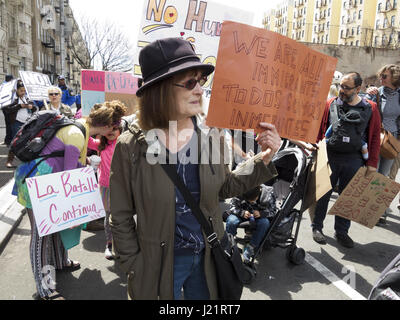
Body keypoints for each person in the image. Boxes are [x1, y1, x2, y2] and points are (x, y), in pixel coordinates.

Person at [109, 37, 281, 300]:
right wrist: (133, 265)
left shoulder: (209, 136)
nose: (200, 90)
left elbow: (225, 188)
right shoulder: (131, 145)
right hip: (158, 265)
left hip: (208, 257)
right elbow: (120, 216)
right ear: (161, 89)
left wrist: (264, 159)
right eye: (190, 83)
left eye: (201, 81)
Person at [11, 100, 127, 300]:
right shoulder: (76, 135)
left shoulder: (81, 126)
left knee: (54, 230)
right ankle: (45, 288)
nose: (115, 131)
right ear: (108, 126)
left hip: (45, 182)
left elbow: (69, 156)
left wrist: (87, 160)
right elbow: (69, 177)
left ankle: (60, 262)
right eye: (115, 127)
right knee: (41, 237)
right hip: (38, 184)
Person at [311, 72, 381, 248]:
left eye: (346, 87)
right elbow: (320, 128)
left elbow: (374, 137)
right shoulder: (330, 104)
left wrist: (372, 163)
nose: (341, 90)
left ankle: (342, 232)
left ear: (358, 89)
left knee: (348, 198)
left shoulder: (371, 108)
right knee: (323, 195)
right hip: (330, 156)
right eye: (341, 86)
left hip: (354, 159)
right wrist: (316, 152)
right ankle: (317, 227)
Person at [365, 64, 400, 225]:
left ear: (394, 78)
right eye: (381, 76)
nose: (381, 79)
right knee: (373, 175)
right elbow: (364, 109)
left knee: (384, 177)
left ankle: (378, 211)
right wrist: (367, 94)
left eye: (384, 76)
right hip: (376, 139)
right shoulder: (376, 93)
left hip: (393, 142)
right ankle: (370, 210)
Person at [87, 120, 125, 260]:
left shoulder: (125, 144)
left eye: (114, 128)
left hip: (123, 187)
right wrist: (93, 124)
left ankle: (123, 244)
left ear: (120, 129)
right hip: (105, 186)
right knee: (108, 215)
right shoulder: (100, 145)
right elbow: (86, 136)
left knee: (122, 216)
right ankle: (109, 244)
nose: (111, 131)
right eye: (107, 128)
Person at [225, 185, 276, 263]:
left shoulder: (268, 194)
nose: (251, 202)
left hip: (259, 217)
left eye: (253, 200)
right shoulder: (240, 189)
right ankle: (229, 243)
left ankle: (250, 247)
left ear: (259, 192)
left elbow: (273, 211)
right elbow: (232, 206)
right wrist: (242, 212)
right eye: (248, 200)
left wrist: (261, 214)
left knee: (265, 223)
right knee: (231, 220)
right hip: (242, 214)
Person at [2, 80, 37, 168]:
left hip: (27, 122)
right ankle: (9, 161)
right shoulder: (12, 98)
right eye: (21, 90)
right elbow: (7, 109)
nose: (23, 92)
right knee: (15, 141)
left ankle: (26, 160)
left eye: (24, 90)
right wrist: (19, 106)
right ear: (16, 90)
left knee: (27, 141)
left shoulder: (27, 98)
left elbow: (35, 107)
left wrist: (32, 107)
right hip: (16, 122)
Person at [1, 74, 14, 146]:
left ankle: (7, 139)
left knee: (8, 123)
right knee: (10, 124)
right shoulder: (8, 86)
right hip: (8, 107)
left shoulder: (2, 85)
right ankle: (9, 140)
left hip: (4, 107)